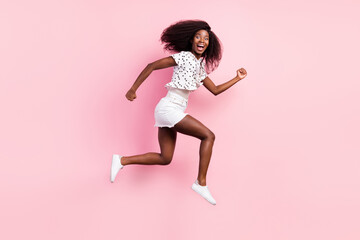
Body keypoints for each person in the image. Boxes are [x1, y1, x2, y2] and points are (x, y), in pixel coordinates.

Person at [111, 19, 247, 205]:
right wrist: (133, 89)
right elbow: (151, 65)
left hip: (170, 109)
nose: (201, 40)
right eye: (198, 36)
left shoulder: (199, 67)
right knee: (208, 136)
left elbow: (214, 90)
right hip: (169, 107)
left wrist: (237, 78)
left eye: (205, 38)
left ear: (209, 43)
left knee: (165, 158)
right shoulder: (183, 57)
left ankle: (121, 160)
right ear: (191, 40)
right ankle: (201, 182)